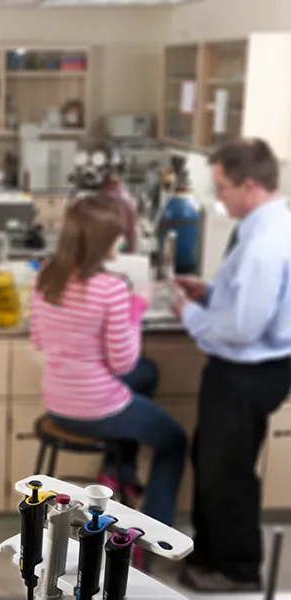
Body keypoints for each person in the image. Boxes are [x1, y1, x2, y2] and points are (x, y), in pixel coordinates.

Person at [174, 138, 291, 592]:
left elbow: (242, 328)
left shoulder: (265, 242)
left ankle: (236, 569)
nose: (217, 197)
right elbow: (246, 301)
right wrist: (209, 292)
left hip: (247, 371)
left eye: (222, 187)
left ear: (250, 184)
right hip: (249, 368)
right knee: (213, 460)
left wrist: (189, 313)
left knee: (229, 472)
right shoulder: (267, 226)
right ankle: (211, 551)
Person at [29, 194, 187, 531]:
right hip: (96, 409)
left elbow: (40, 340)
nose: (122, 240)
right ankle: (152, 535)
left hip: (57, 401)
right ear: (102, 241)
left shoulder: (44, 279)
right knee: (174, 440)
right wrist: (136, 306)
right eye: (118, 235)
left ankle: (121, 470)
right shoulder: (111, 289)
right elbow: (123, 363)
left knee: (149, 374)